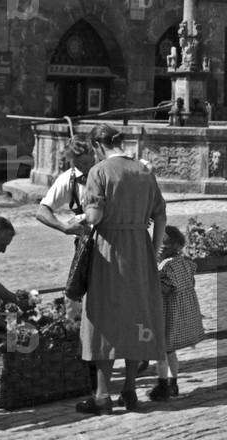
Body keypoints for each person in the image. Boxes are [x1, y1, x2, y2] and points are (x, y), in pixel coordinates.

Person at [76, 124, 167, 415]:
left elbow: (94, 216)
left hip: (109, 249)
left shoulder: (99, 172)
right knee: (135, 316)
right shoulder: (143, 171)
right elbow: (161, 214)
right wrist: (153, 250)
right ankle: (129, 389)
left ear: (97, 146)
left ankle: (103, 394)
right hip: (139, 249)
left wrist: (79, 216)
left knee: (103, 318)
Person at [36, 136, 98, 388]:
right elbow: (42, 211)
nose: (84, 168)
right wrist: (64, 228)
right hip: (86, 243)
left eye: (87, 162)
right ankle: (82, 354)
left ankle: (132, 353)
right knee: (75, 295)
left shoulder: (108, 170)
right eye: (79, 164)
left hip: (117, 241)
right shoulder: (69, 179)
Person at [149, 225, 204, 401]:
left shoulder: (165, 266)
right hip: (181, 312)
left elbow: (164, 289)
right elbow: (190, 284)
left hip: (166, 314)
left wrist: (149, 279)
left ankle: (162, 384)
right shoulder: (186, 263)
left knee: (161, 351)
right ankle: (174, 382)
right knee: (170, 351)